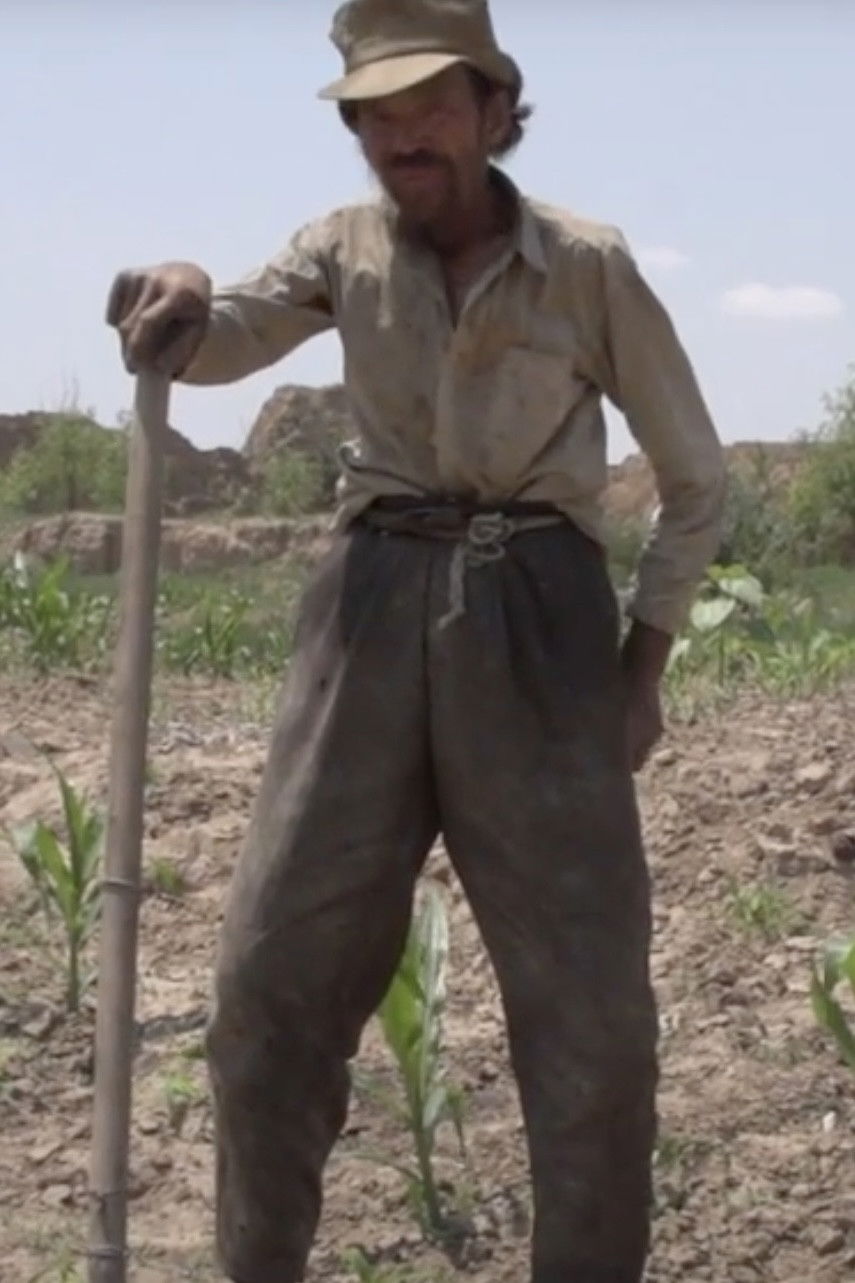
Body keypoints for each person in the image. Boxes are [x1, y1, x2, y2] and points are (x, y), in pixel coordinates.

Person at [107, 3, 726, 1280]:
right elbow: (223, 334)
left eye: (430, 106)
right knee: (270, 987)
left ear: (497, 110)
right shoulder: (342, 248)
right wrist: (175, 293)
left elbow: (697, 478)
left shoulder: (587, 265)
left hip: (540, 624)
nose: (403, 137)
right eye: (375, 115)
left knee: (591, 1024)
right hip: (369, 611)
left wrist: (643, 670)